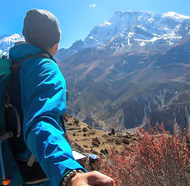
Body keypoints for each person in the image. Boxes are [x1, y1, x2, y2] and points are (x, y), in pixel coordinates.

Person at [9, 9, 114, 186]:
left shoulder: (12, 64)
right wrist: (70, 174)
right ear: (55, 40)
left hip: (9, 169)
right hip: (36, 176)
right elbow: (40, 123)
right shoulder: (45, 68)